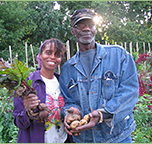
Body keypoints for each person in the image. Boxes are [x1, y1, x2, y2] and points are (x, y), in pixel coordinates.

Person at [59, 8, 139, 143]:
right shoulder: (67, 69)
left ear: (96, 29)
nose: (86, 29)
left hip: (118, 137)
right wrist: (70, 112)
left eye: (90, 24)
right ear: (73, 31)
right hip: (85, 139)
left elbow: (130, 91)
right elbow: (69, 101)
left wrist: (102, 113)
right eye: (80, 25)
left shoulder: (119, 55)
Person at [13, 38, 70, 143]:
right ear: (40, 55)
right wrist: (29, 111)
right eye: (48, 53)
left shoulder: (63, 82)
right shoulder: (27, 83)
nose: (52, 57)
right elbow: (19, 122)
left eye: (57, 54)